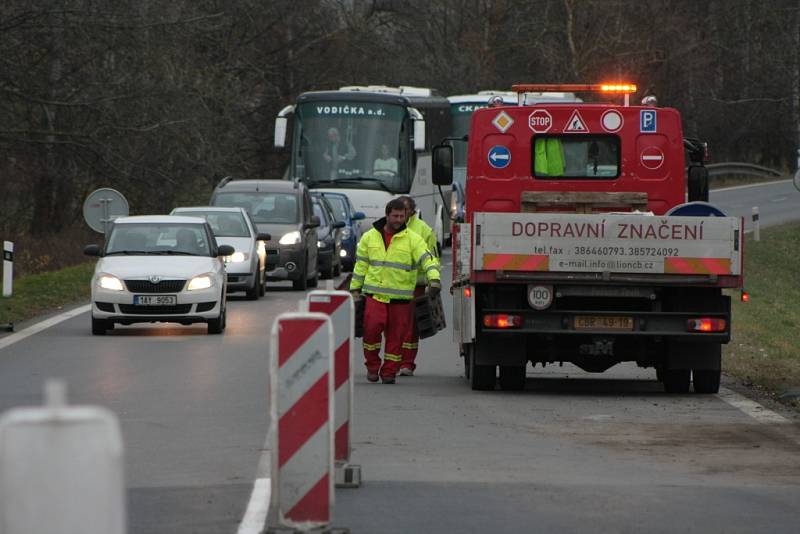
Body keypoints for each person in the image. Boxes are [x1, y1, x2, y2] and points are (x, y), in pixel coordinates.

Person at [350, 198, 440, 384]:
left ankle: (389, 372)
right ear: (387, 215)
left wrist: (434, 279)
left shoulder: (413, 239)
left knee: (396, 338)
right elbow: (360, 266)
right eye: (395, 216)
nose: (399, 219)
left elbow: (428, 259)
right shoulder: (370, 237)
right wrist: (355, 290)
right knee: (371, 331)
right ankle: (372, 366)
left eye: (402, 216)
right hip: (375, 296)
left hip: (401, 298)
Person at [397, 195, 439, 376]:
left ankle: (407, 363)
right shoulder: (387, 228)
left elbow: (432, 258)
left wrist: (433, 280)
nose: (400, 215)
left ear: (412, 212)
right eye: (396, 211)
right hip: (392, 285)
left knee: (410, 328)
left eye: (404, 211)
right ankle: (394, 360)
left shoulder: (423, 231)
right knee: (393, 326)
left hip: (415, 286)